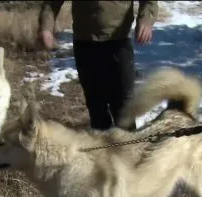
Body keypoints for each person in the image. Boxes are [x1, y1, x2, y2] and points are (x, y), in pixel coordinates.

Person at [38, 1, 158, 131]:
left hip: (118, 42)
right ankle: (102, 147)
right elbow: (51, 4)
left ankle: (128, 147)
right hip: (85, 43)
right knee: (96, 105)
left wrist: (146, 19)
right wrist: (46, 28)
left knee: (123, 106)